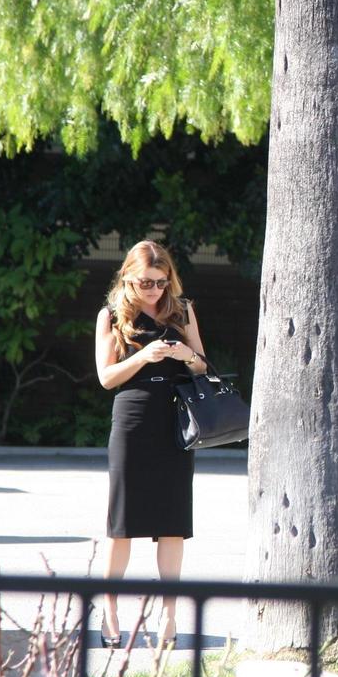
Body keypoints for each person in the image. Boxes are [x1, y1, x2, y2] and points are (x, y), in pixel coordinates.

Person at [94, 240, 207, 648]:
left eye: (161, 282)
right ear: (128, 278)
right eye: (146, 283)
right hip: (132, 420)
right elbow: (107, 378)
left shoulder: (182, 310)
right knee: (121, 523)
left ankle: (169, 616)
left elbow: (202, 365)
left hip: (175, 421)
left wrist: (183, 353)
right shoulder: (111, 316)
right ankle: (109, 613)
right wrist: (145, 357)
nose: (155, 290)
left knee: (173, 523)